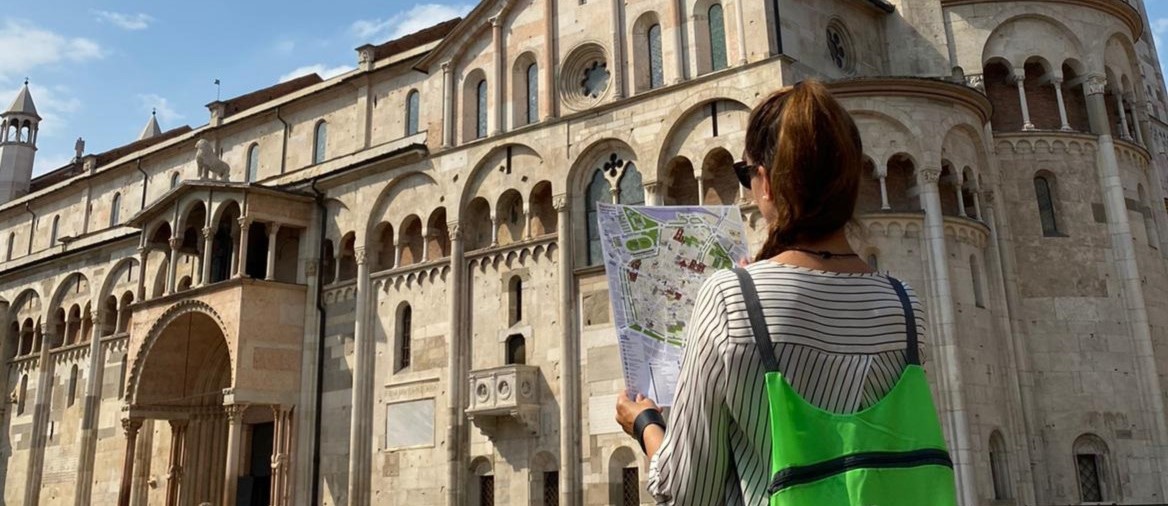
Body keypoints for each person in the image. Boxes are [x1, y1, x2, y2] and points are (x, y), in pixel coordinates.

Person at [614, 80, 954, 505]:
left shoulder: (729, 300)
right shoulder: (904, 306)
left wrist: (644, 422)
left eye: (746, 174)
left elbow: (685, 490)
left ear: (767, 182)